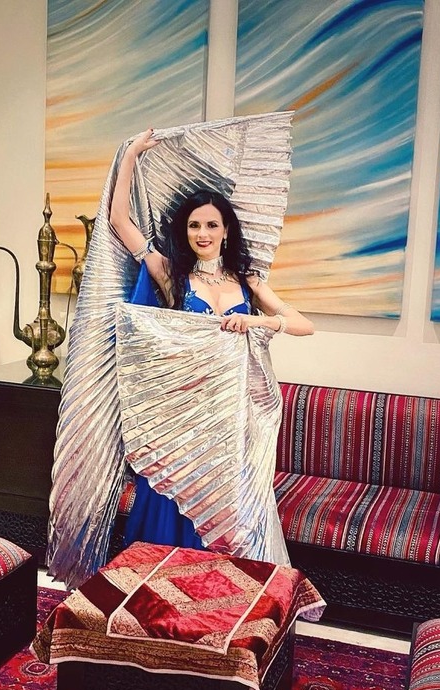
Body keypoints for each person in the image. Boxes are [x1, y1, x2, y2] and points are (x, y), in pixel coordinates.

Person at [109, 127, 314, 551]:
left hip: (230, 419)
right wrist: (130, 156)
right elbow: (119, 222)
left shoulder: (247, 280)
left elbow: (302, 324)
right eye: (194, 225)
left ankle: (219, 588)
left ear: (226, 231)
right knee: (174, 507)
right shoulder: (172, 275)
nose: (202, 233)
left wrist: (256, 322)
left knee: (227, 515)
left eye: (211, 225)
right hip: (180, 415)